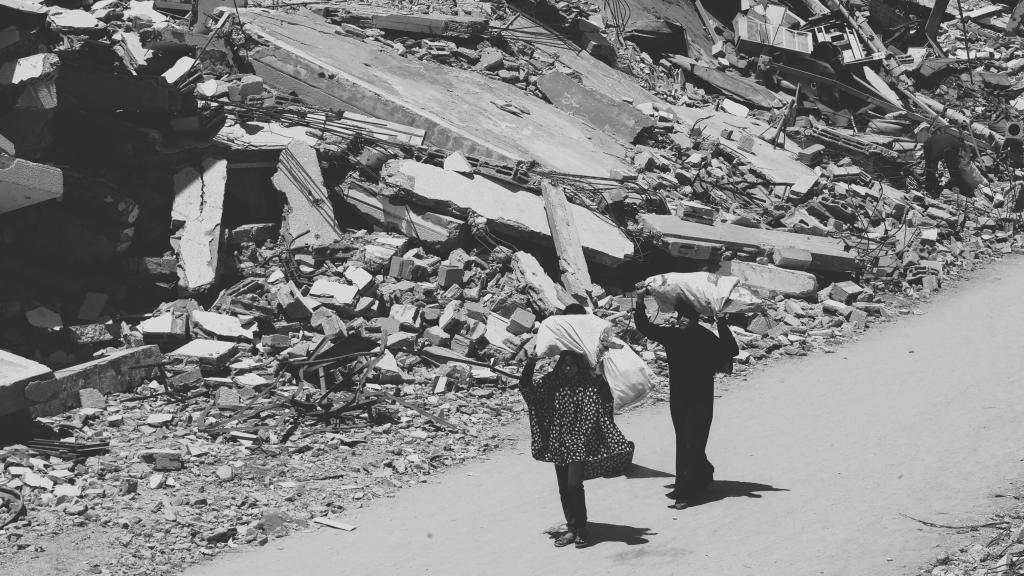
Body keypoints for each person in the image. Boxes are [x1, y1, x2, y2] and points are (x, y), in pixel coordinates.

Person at [518, 304, 635, 548]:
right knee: (563, 487)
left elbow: (605, 399)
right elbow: (529, 391)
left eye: (573, 364)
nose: (569, 368)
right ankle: (571, 528)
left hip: (579, 441)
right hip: (560, 440)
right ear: (560, 365)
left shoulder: (588, 382)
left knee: (573, 484)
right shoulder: (553, 382)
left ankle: (581, 528)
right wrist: (530, 364)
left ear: (578, 365)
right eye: (565, 364)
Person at [633, 291, 738, 509]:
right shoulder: (673, 336)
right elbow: (646, 328)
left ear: (696, 319)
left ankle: (685, 493)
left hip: (701, 400)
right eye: (680, 316)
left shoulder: (705, 337)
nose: (681, 320)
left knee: (691, 442)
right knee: (685, 441)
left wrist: (720, 323)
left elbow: (731, 350)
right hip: (679, 400)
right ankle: (703, 474)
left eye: (686, 317)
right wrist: (640, 302)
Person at [923, 131, 975, 199]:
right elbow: (950, 166)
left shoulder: (955, 144)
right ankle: (930, 186)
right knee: (931, 166)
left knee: (933, 165)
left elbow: (952, 163)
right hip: (931, 145)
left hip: (935, 142)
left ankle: (931, 183)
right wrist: (955, 184)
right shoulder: (952, 148)